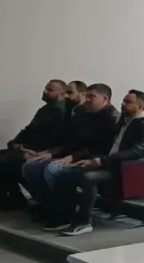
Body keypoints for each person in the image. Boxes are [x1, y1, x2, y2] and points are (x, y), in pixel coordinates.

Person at [44, 89, 144, 236]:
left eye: (128, 102)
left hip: (127, 168)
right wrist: (93, 158)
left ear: (140, 105)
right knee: (67, 173)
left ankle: (84, 222)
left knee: (88, 177)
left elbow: (139, 151)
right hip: (111, 163)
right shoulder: (126, 121)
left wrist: (102, 160)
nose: (123, 104)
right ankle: (65, 216)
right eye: (123, 101)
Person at [20, 84, 121, 215]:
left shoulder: (112, 119)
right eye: (86, 96)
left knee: (53, 169)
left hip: (94, 160)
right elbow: (72, 141)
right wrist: (51, 153)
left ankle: (64, 211)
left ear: (105, 99)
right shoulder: (85, 113)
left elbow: (101, 147)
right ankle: (47, 204)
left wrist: (73, 157)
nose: (87, 99)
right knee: (31, 166)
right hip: (76, 155)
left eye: (92, 96)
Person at [0, 79, 69, 209]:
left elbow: (59, 140)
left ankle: (16, 197)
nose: (45, 91)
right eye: (45, 88)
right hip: (28, 148)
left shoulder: (63, 112)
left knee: (5, 161)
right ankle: (1, 196)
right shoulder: (44, 110)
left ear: (62, 93)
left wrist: (39, 152)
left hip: (41, 152)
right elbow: (29, 130)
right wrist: (14, 143)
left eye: (50, 90)